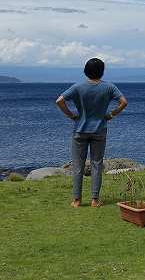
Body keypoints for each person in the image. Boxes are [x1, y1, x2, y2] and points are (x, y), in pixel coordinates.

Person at [55, 57, 127, 208]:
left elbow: (59, 101)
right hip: (99, 130)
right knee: (96, 164)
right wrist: (112, 114)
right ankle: (95, 199)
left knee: (77, 166)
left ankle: (77, 200)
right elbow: (123, 102)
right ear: (102, 71)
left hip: (80, 130)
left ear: (85, 71)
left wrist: (71, 115)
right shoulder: (108, 87)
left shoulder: (78, 87)